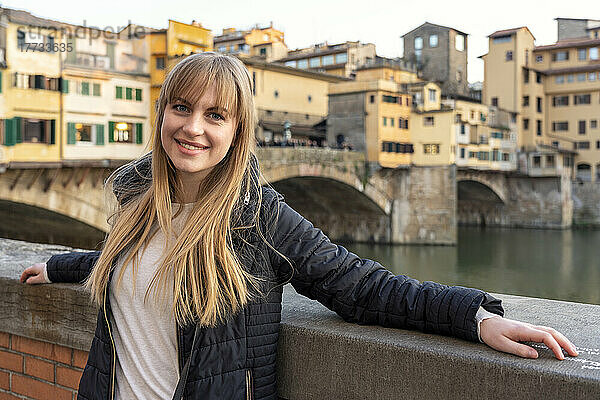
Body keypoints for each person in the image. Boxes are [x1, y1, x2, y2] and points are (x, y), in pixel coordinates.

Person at [20, 53, 578, 400]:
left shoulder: (258, 219)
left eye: (215, 116)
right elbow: (129, 263)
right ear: (161, 112)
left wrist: (473, 318)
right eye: (181, 108)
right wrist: (58, 266)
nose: (193, 128)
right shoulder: (137, 204)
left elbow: (362, 288)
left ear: (238, 131)